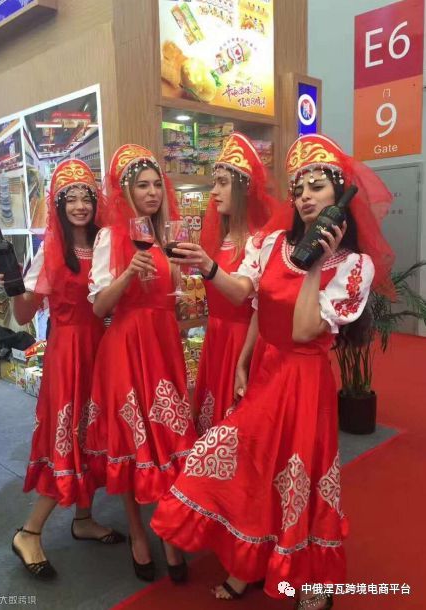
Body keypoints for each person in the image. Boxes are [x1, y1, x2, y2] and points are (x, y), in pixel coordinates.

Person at [151, 133, 394, 607]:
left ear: (340, 196)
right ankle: (248, 564)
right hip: (266, 371)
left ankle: (310, 580)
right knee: (245, 464)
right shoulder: (271, 243)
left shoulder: (355, 266)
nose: (305, 197)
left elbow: (304, 329)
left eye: (318, 187)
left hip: (305, 381)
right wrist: (211, 275)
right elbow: (250, 300)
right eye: (299, 189)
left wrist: (314, 265)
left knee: (299, 477)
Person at [84, 144, 198, 583]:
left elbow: (174, 297)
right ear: (126, 193)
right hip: (126, 348)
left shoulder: (169, 235)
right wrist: (129, 272)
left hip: (164, 347)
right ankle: (137, 533)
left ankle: (168, 532)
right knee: (133, 445)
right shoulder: (110, 238)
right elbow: (100, 308)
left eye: (156, 185)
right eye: (142, 186)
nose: (151, 192)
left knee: (169, 441)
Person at [11, 160, 124, 580]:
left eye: (86, 197)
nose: (79, 205)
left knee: (91, 433)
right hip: (68, 353)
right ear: (58, 207)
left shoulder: (106, 244)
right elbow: (24, 315)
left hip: (102, 349)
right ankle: (29, 532)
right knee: (67, 436)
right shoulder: (51, 250)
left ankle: (83, 518)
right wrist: (14, 284)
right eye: (70, 199)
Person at [193, 132, 277, 434]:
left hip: (241, 339)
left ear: (243, 189)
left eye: (223, 183)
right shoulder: (222, 239)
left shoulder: (260, 242)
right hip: (216, 336)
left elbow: (242, 294)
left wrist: (207, 265)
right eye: (214, 183)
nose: (214, 192)